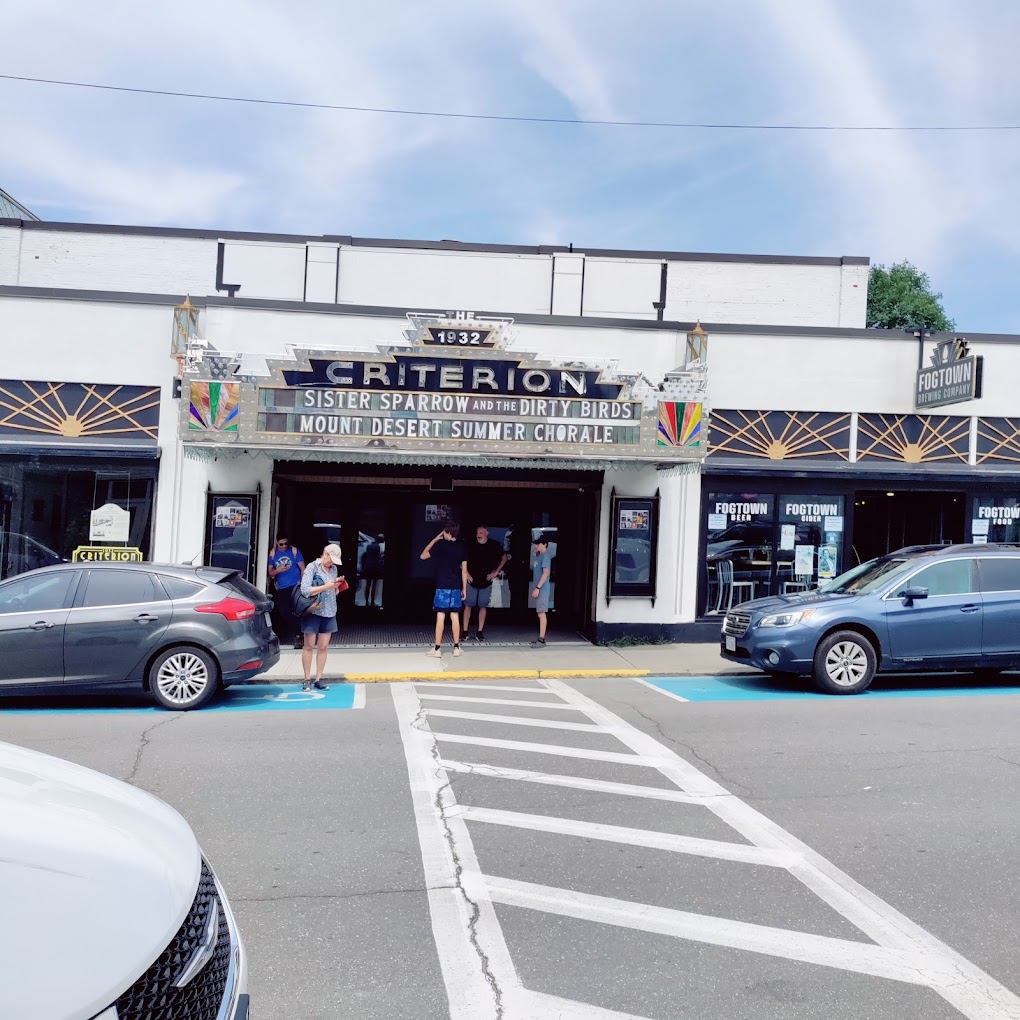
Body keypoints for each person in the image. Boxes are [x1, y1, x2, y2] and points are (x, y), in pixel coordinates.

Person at [298, 543, 344, 691]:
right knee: (309, 646)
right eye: (330, 559)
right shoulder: (312, 567)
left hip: (330, 610)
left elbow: (333, 590)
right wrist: (326, 586)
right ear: (325, 554)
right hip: (314, 611)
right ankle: (307, 678)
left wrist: (336, 586)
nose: (331, 563)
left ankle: (319, 678)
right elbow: (305, 590)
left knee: (323, 647)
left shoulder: (334, 569)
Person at [419, 520, 467, 657]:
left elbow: (423, 556)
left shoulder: (440, 545)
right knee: (455, 616)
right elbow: (464, 571)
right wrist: (464, 588)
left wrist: (434, 540)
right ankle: (456, 648)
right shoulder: (462, 547)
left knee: (440, 616)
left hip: (442, 586)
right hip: (456, 586)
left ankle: (437, 649)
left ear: (447, 532)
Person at [463, 525, 508, 641]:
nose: (479, 535)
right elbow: (461, 559)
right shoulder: (470, 544)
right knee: (468, 605)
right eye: (477, 533)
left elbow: (504, 557)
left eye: (481, 533)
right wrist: (466, 573)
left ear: (487, 533)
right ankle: (465, 631)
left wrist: (496, 572)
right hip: (471, 580)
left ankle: (479, 631)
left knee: (483, 606)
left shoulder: (494, 545)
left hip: (486, 581)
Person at [267, 536, 305, 648]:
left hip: (295, 586)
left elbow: (303, 568)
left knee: (298, 610)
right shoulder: (273, 554)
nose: (284, 546)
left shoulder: (294, 551)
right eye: (281, 544)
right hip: (281, 587)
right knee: (283, 611)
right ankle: (298, 629)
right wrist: (278, 570)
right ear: (277, 543)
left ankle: (298, 636)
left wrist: (303, 583)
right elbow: (270, 573)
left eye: (286, 544)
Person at [530, 536, 552, 648]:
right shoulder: (539, 556)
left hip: (542, 589)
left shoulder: (545, 557)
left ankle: (542, 639)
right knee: (539, 612)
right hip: (539, 588)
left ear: (545, 544)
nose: (536, 546)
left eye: (539, 544)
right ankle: (541, 638)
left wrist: (538, 588)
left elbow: (545, 573)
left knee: (541, 613)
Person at [361, 533, 385, 608]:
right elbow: (378, 557)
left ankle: (366, 601)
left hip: (368, 566)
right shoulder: (378, 547)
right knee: (374, 585)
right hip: (375, 567)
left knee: (368, 585)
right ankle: (372, 601)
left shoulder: (369, 546)